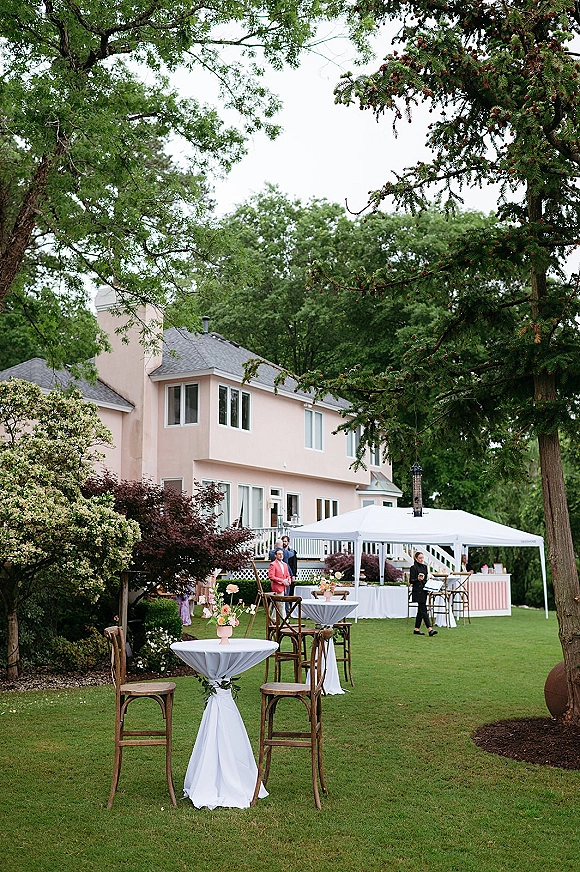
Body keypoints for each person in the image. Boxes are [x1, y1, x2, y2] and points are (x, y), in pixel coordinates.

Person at [410, 551, 437, 637]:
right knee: (423, 609)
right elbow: (411, 581)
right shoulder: (413, 568)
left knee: (420, 610)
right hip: (417, 590)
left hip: (424, 589)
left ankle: (416, 629)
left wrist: (429, 586)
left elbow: (426, 580)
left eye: (422, 558)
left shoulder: (425, 567)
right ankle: (430, 629)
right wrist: (418, 579)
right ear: (416, 559)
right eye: (420, 558)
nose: (421, 560)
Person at [268, 548, 291, 617]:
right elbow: (271, 576)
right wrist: (282, 581)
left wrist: (289, 582)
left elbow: (288, 575)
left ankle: (273, 619)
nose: (281, 555)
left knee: (278, 604)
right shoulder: (273, 564)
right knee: (281, 604)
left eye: (282, 554)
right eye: (279, 554)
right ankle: (285, 620)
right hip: (277, 587)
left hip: (284, 587)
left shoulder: (285, 565)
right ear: (275, 555)